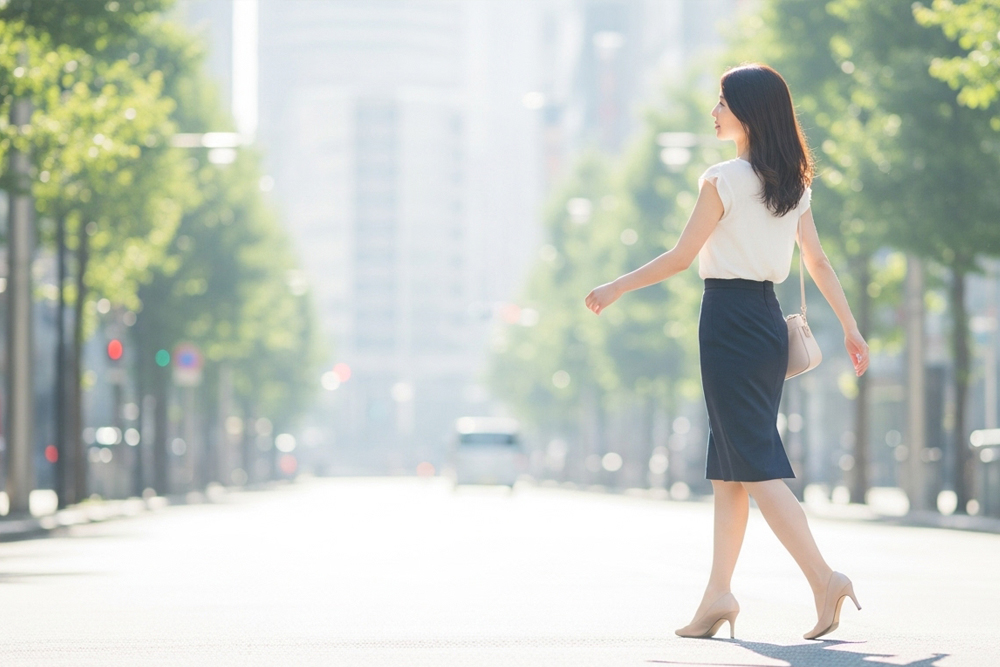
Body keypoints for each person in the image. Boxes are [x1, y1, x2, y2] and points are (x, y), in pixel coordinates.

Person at [584, 63, 868, 641]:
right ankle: (718, 595)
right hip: (767, 321)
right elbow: (818, 262)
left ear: (748, 112)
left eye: (722, 102)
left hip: (729, 322)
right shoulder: (794, 183)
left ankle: (824, 578)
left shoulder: (723, 178)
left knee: (756, 465)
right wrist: (851, 328)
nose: (713, 111)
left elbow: (682, 256)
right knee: (730, 469)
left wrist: (616, 286)